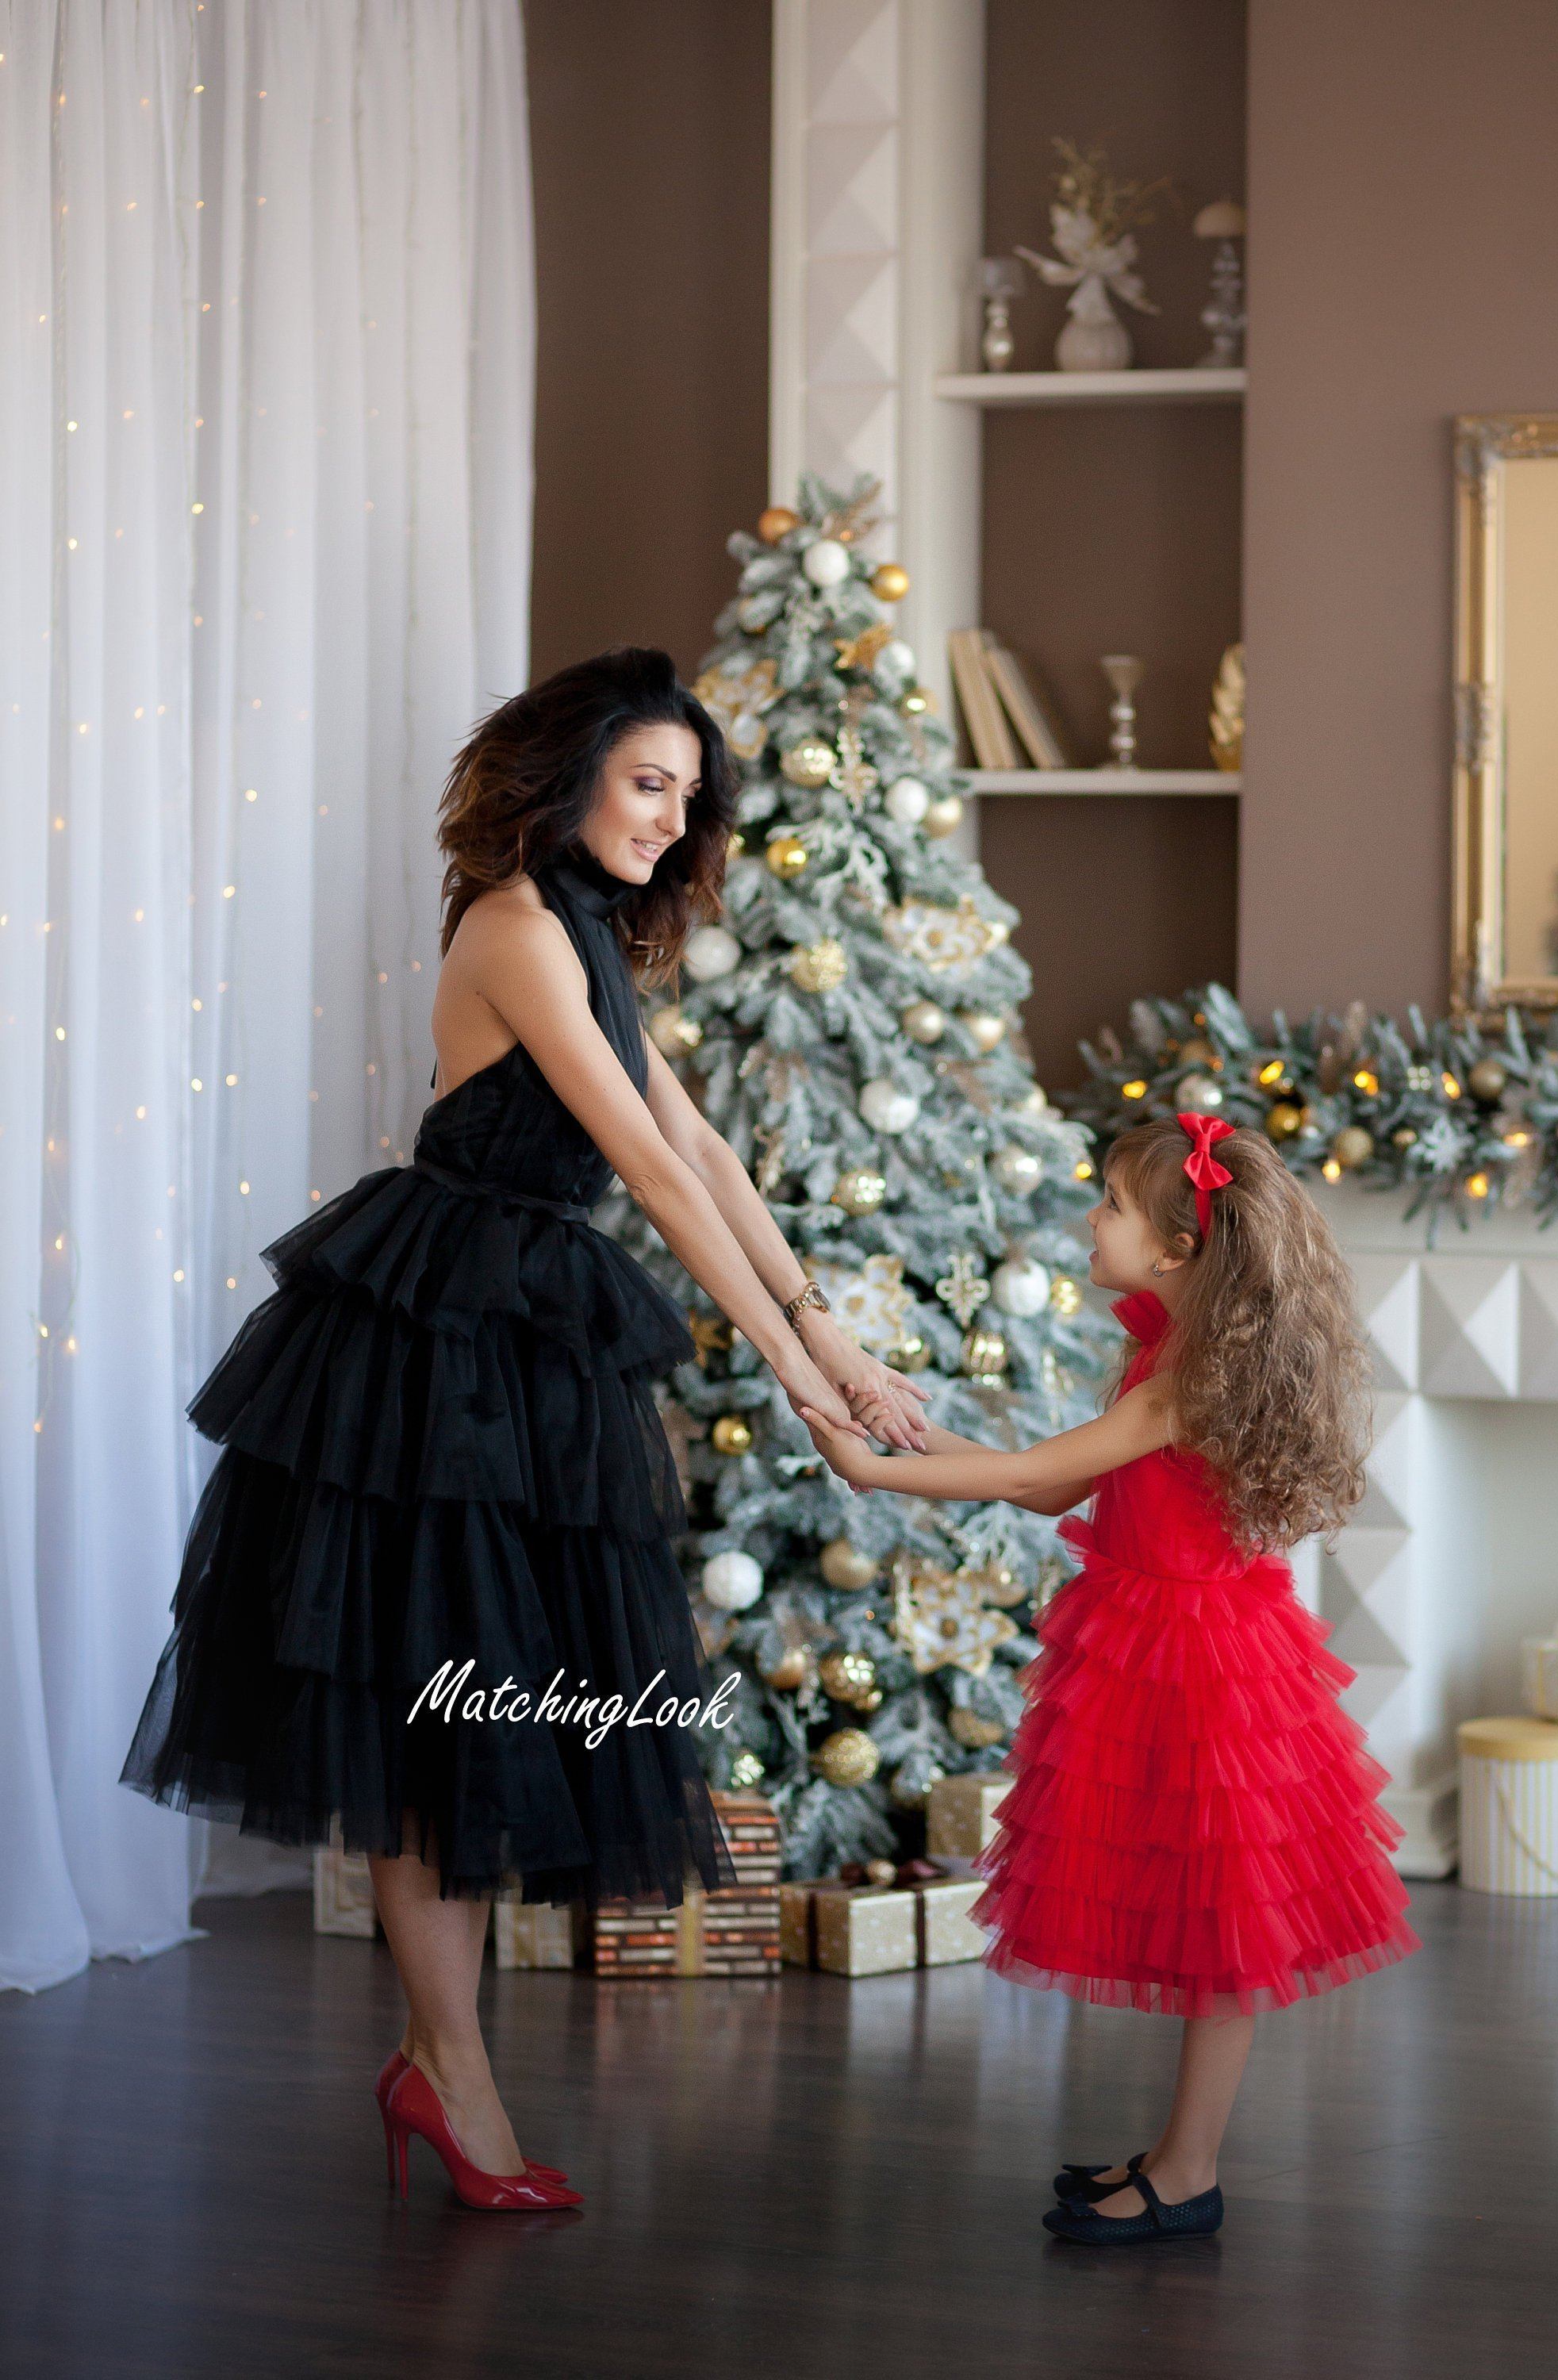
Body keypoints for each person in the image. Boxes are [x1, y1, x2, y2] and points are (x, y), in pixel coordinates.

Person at [121, 647, 927, 2213]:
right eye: (646, 783)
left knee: (484, 1714)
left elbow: (703, 1146)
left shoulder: (588, 939)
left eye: (686, 798)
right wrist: (797, 1379)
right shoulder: (510, 924)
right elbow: (647, 1166)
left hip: (526, 1341)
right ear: (563, 779)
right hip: (431, 1345)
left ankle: (443, 2061)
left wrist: (825, 1334)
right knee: (442, 1712)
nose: (667, 818)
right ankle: (452, 2071)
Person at [801, 1110, 1418, 2246]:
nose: (1091, 1217)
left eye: (1113, 1206)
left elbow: (1037, 1471)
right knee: (1201, 1911)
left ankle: (1189, 2171)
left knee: (1224, 1917)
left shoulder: (1185, 1381)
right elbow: (1046, 1492)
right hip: (1155, 1637)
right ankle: (1179, 2153)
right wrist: (905, 1425)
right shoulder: (1162, 1350)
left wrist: (868, 1469)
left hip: (1204, 1663)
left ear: (1177, 1249)